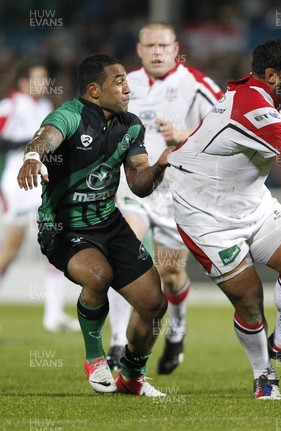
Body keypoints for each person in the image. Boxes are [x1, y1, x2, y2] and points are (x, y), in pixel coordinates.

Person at [168, 39, 281, 399]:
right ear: (271, 76)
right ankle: (264, 374)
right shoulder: (255, 107)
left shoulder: (260, 86)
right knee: (249, 299)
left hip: (250, 200)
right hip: (205, 214)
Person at [17, 53, 171, 397]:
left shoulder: (130, 124)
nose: (128, 89)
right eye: (119, 82)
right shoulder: (69, 115)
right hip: (63, 227)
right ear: (94, 90)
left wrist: (160, 166)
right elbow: (46, 138)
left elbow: (139, 183)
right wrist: (32, 156)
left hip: (109, 223)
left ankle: (132, 377)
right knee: (98, 275)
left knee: (154, 305)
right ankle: (94, 358)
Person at [107, 21, 224, 375]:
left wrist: (185, 134)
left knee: (171, 274)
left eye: (164, 45)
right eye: (150, 46)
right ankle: (116, 342)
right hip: (135, 187)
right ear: (140, 50)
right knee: (120, 253)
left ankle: (178, 329)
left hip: (176, 193)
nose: (157, 51)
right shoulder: (123, 85)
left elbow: (228, 128)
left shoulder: (197, 85)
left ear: (176, 49)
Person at [0, 61, 78, 333]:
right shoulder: (10, 106)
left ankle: (53, 314)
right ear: (22, 82)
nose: (43, 84)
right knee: (9, 251)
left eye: (45, 79)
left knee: (55, 243)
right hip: (17, 182)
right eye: (37, 79)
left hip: (42, 184)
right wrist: (24, 143)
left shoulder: (46, 107)